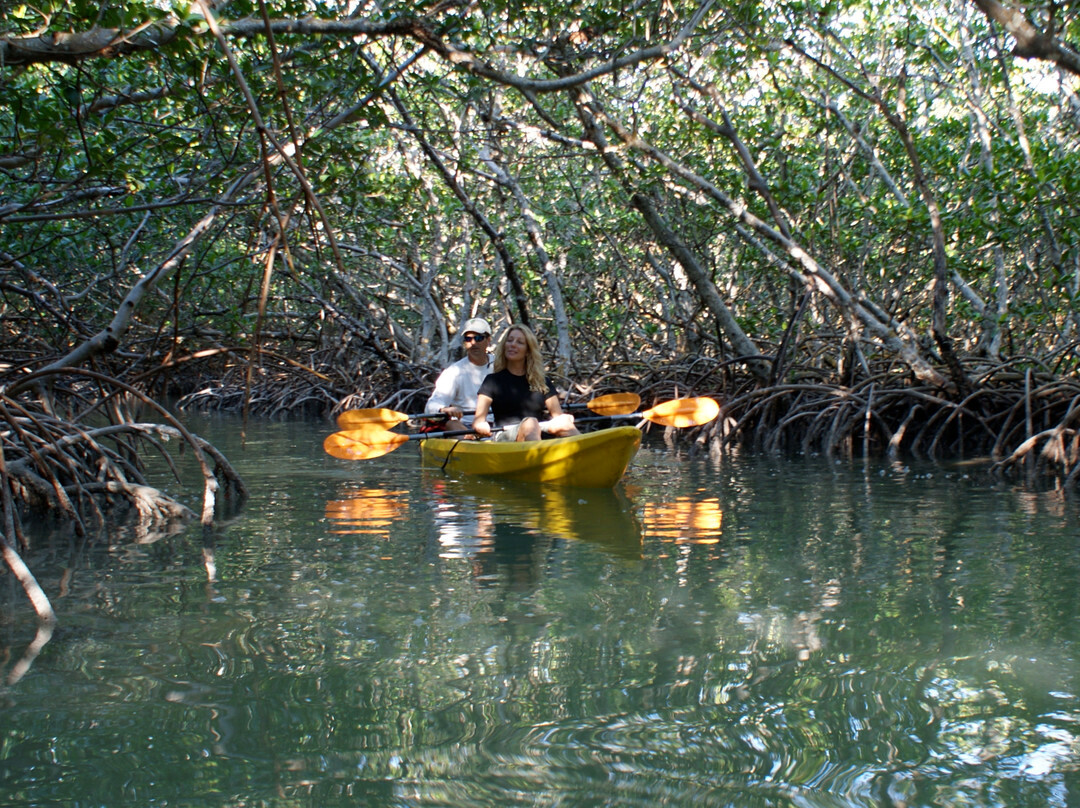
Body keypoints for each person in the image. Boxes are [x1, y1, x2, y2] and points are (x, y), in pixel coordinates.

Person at [473, 324, 579, 442]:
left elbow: (557, 416)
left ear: (528, 351)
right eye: (510, 340)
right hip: (505, 435)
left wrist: (565, 419)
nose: (513, 344)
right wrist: (481, 425)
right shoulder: (492, 381)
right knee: (530, 422)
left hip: (536, 431)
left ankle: (588, 454)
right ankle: (537, 458)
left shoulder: (542, 381)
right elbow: (478, 420)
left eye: (520, 342)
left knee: (563, 422)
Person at [424, 317, 494, 431]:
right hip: (466, 427)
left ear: (488, 340)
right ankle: (469, 440)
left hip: (498, 426)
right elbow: (431, 405)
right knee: (452, 424)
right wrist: (444, 409)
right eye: (468, 339)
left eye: (478, 338)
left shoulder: (501, 365)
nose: (473, 343)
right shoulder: (454, 372)